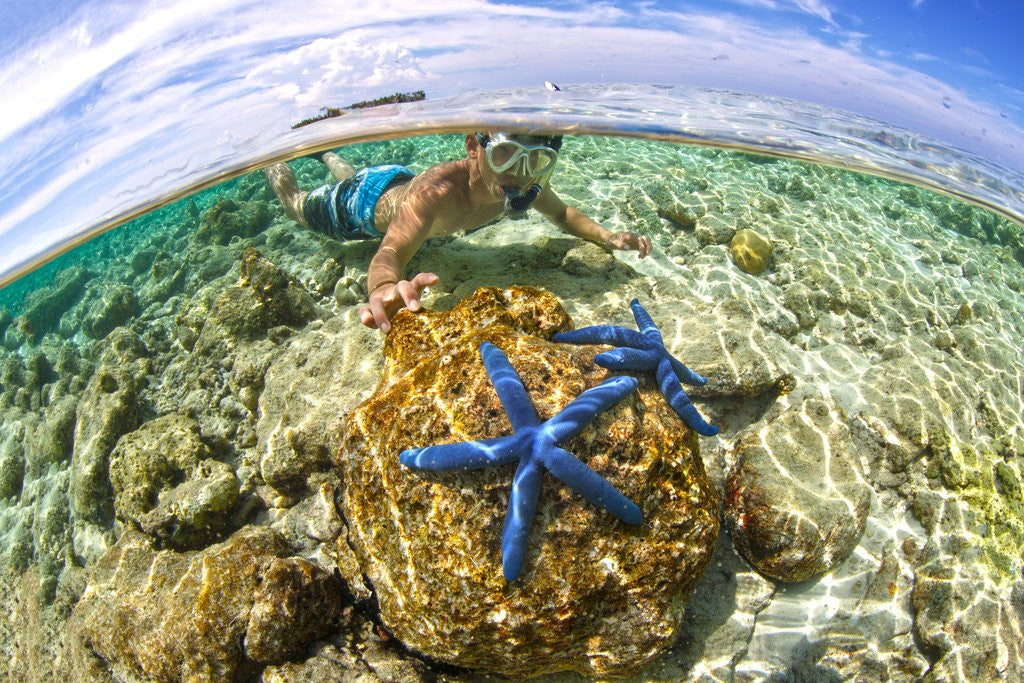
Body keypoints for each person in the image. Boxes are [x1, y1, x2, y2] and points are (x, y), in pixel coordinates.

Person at [264, 132, 652, 334]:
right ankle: (273, 159)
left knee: (352, 177)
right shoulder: (438, 193)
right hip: (357, 209)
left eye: (536, 159)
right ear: (473, 146)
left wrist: (607, 237)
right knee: (296, 207)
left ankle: (330, 156)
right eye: (505, 153)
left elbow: (564, 214)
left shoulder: (519, 182)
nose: (520, 172)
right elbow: (391, 251)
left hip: (394, 179)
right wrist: (383, 285)